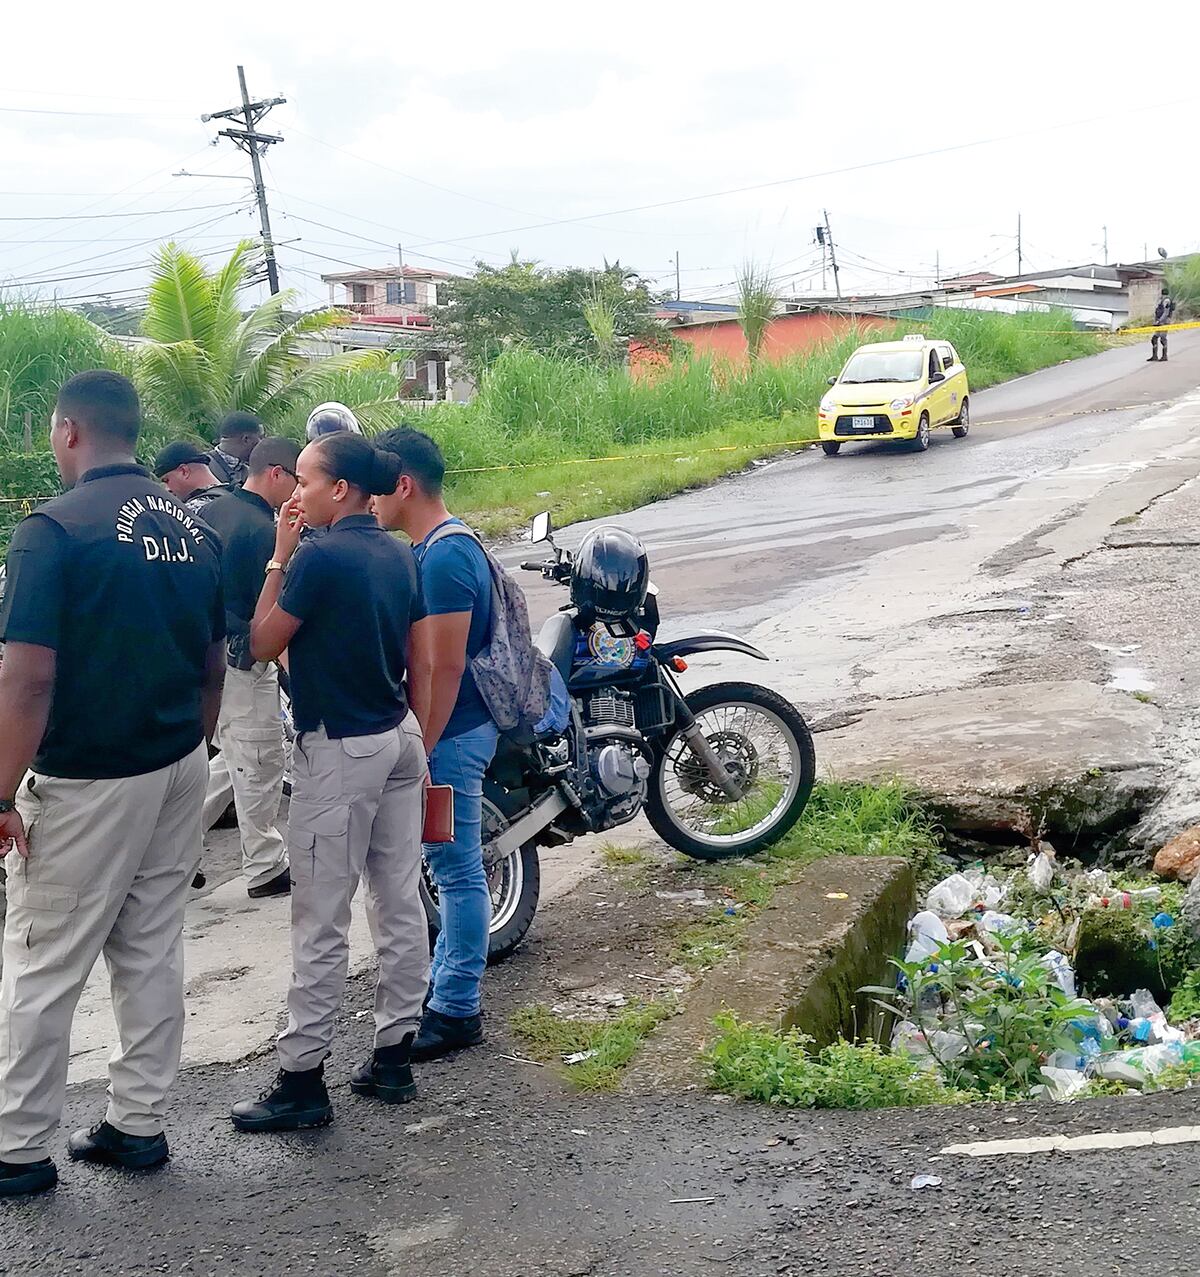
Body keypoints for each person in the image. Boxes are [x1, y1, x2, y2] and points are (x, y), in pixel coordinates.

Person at [0, 370, 224, 1198]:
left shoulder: (52, 532)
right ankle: (139, 1124)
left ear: (67, 432)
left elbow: (24, 682)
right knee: (150, 947)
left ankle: (19, 1146)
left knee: (42, 960)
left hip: (89, 777)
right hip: (175, 765)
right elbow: (214, 665)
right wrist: (187, 753)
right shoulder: (194, 533)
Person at [230, 433, 434, 1132]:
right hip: (397, 735)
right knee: (398, 899)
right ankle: (394, 1056)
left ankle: (302, 1076)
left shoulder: (316, 557)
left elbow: (260, 644)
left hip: (339, 748)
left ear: (341, 488)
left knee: (321, 915)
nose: (294, 495)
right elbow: (418, 654)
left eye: (307, 482)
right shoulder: (398, 553)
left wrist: (279, 557)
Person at [373, 427, 496, 1062]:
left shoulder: (445, 557)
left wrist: (423, 742)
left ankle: (456, 1007)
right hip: (450, 726)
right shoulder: (436, 548)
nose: (369, 502)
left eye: (377, 489)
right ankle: (448, 992)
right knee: (450, 869)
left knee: (456, 870)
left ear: (403, 486)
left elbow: (444, 668)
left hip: (453, 729)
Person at [200, 437, 301, 898]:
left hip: (207, 656)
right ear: (276, 473)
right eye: (297, 479)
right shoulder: (265, 530)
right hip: (244, 659)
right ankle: (264, 865)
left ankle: (165, 850)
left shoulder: (211, 511)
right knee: (260, 760)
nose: (300, 491)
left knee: (232, 761)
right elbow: (273, 609)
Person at [153, 441, 230, 513]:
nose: (167, 489)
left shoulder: (190, 512)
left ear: (184, 471)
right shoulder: (235, 497)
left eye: (166, 480)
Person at [207, 410, 264, 487]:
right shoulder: (203, 468)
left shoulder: (248, 472)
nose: (262, 443)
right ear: (246, 439)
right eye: (260, 437)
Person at [1149, 287, 1176, 362]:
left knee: (1163, 338)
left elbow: (1166, 313)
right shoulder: (1162, 300)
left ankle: (1164, 356)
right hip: (1159, 321)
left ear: (1162, 293)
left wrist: (1159, 321)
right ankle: (1154, 356)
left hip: (1164, 322)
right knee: (1154, 338)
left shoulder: (1166, 300)